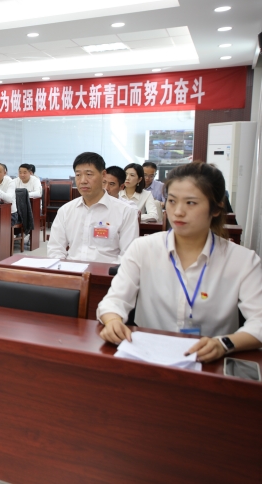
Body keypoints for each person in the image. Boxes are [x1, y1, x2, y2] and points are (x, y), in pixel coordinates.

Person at [97, 162, 262, 363]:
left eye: (191, 203)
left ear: (216, 208)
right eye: (172, 201)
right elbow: (113, 301)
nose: (178, 212)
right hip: (148, 356)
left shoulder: (243, 261)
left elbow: (259, 322)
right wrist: (113, 321)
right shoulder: (143, 248)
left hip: (211, 362)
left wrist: (224, 344)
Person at [47, 152, 138, 263]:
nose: (83, 181)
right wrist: (63, 270)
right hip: (71, 271)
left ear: (103, 175)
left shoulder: (126, 211)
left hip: (108, 272)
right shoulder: (65, 210)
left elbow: (128, 256)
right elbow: (55, 249)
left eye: (89, 174)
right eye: (78, 175)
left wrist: (107, 273)